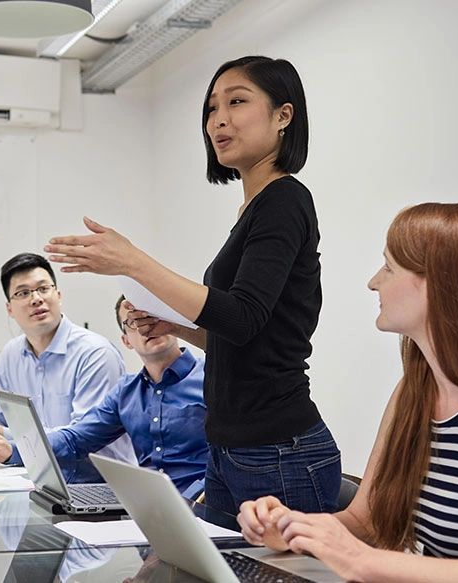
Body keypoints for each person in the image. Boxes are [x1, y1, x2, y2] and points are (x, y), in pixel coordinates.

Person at [45, 56, 340, 513]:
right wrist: (176, 328)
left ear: (284, 115)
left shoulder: (285, 199)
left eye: (237, 102)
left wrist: (134, 261)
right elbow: (246, 339)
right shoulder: (254, 208)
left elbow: (241, 318)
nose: (218, 120)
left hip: (277, 450)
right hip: (229, 449)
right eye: (210, 109)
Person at [238, 202, 458, 581]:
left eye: (389, 267)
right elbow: (364, 521)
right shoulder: (412, 392)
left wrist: (363, 562)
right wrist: (293, 530)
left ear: (440, 283)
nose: (374, 281)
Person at [0, 295, 208, 498]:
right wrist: (12, 451)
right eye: (135, 322)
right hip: (151, 513)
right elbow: (75, 440)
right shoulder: (126, 392)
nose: (148, 327)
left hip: (205, 509)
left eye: (154, 316)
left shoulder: (211, 378)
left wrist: (199, 498)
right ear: (126, 340)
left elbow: (234, 456)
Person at [0, 253, 134, 482]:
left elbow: (83, 439)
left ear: (58, 295)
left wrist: (7, 436)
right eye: (23, 293)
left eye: (43, 288)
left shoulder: (96, 354)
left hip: (97, 487)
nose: (36, 299)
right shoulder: (12, 354)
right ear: (9, 309)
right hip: (44, 482)